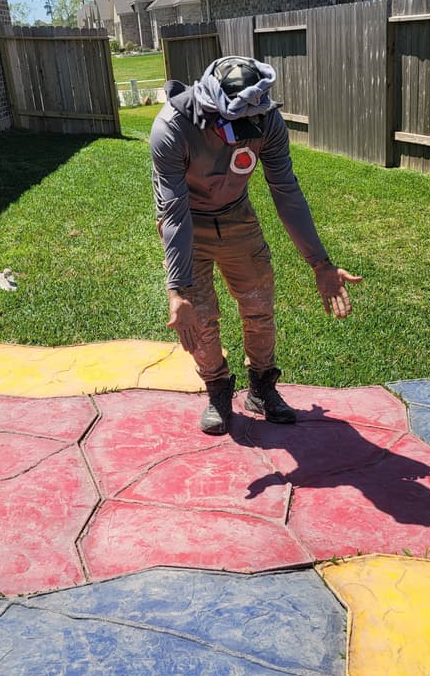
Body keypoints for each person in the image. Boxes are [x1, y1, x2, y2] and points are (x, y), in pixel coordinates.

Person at [150, 55, 362, 435]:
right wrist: (177, 289)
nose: (247, 131)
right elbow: (174, 213)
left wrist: (321, 264)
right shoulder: (171, 127)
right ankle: (217, 389)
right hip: (187, 221)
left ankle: (262, 389)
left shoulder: (266, 120)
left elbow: (287, 192)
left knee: (258, 305)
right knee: (199, 317)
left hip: (237, 217)